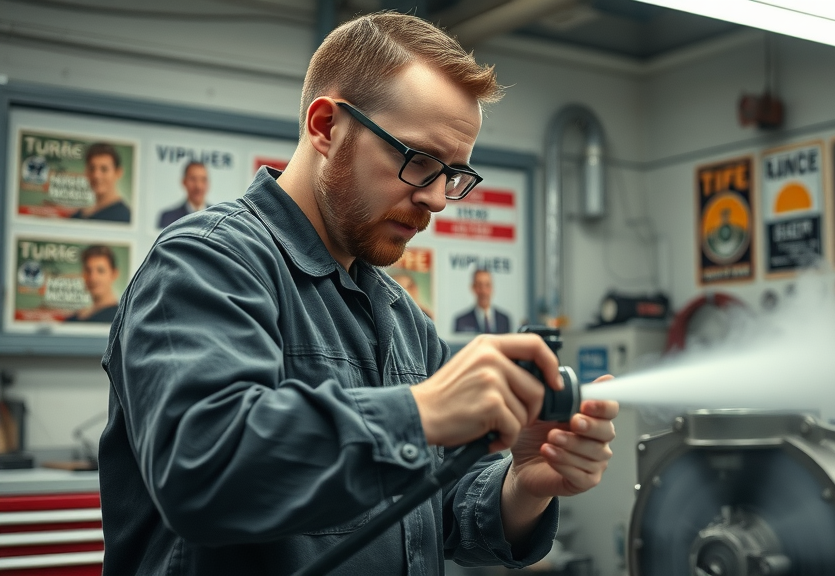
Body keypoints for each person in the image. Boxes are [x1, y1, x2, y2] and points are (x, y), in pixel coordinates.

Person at [98, 12, 618, 576]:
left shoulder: (400, 318)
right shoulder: (206, 262)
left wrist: (523, 485)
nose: (440, 200)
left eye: (454, 174)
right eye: (419, 161)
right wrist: (422, 413)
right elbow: (204, 472)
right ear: (325, 126)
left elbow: (434, 515)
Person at [71, 143, 131, 223]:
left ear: (118, 173)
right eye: (92, 169)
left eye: (104, 169)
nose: (96, 175)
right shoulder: (79, 215)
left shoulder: (124, 217)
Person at [64, 245, 119, 323]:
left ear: (114, 274)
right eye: (88, 270)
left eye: (100, 271)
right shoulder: (76, 318)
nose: (93, 278)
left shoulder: (119, 319)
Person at [454, 268, 512, 333]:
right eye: (479, 285)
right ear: (473, 288)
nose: (483, 291)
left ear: (492, 288)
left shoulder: (504, 320)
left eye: (487, 285)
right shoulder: (462, 321)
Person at [158, 161, 210, 228]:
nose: (198, 186)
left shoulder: (218, 217)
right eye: (193, 179)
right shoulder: (169, 218)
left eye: (203, 180)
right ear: (184, 182)